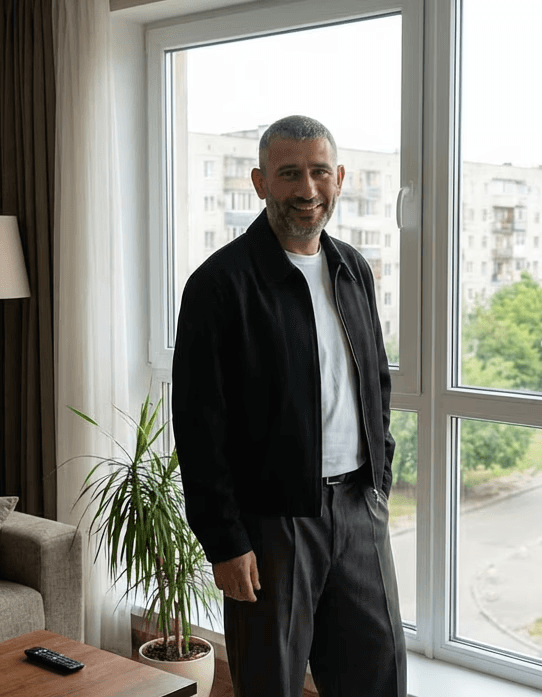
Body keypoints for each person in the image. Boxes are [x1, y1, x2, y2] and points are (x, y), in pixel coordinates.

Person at [171, 115, 405, 697]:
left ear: (339, 178)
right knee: (270, 681)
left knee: (378, 675)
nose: (307, 189)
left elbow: (375, 383)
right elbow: (199, 428)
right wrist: (225, 541)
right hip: (270, 524)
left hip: (359, 509)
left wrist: (380, 478)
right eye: (289, 174)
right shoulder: (219, 284)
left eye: (319, 172)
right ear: (260, 182)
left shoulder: (353, 269)